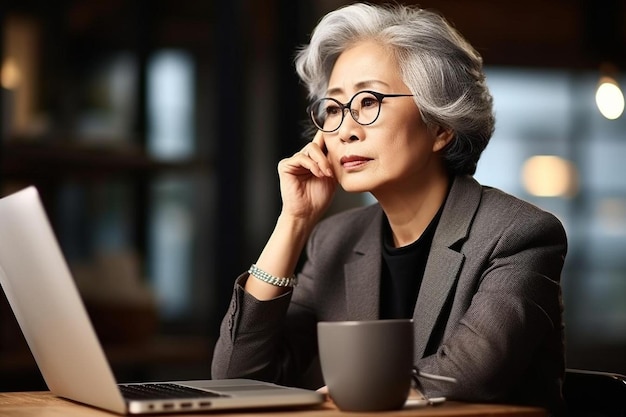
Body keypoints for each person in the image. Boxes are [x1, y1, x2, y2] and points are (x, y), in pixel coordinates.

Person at [211, 3, 567, 415]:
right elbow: (237, 377)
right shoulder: (334, 239)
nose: (345, 129)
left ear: (440, 126)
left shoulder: (518, 233)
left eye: (368, 101)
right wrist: (293, 222)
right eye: (332, 107)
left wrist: (350, 393)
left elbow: (474, 373)